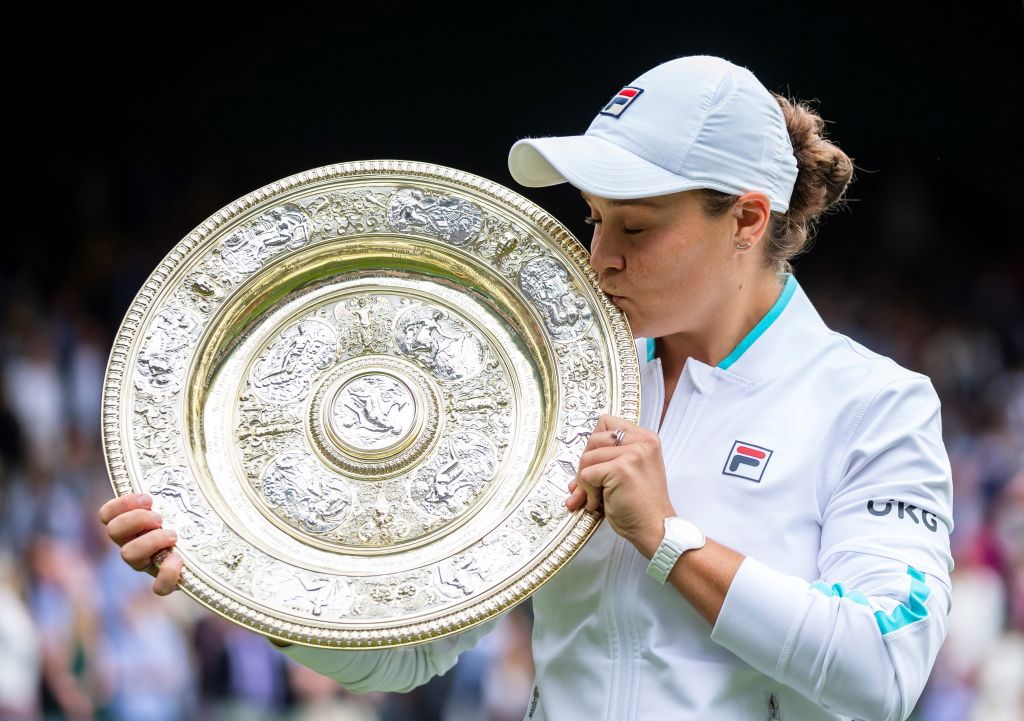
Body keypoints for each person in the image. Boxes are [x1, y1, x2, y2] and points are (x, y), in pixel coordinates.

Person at [99, 55, 954, 721]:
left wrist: (667, 539)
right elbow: (413, 654)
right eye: (594, 217)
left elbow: (879, 672)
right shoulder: (562, 389)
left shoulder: (875, 405)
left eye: (637, 226)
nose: (601, 256)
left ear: (746, 219)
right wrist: (248, 582)